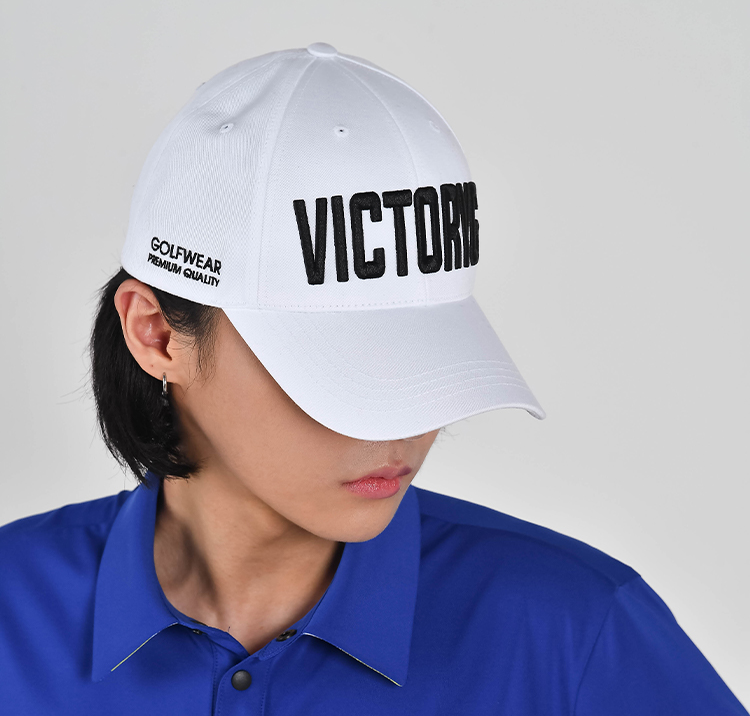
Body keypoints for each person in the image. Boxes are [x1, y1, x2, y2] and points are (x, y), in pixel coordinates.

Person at [0, 42, 746, 715]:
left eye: (428, 364)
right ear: (157, 334)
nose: (403, 425)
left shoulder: (575, 631)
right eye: (336, 371)